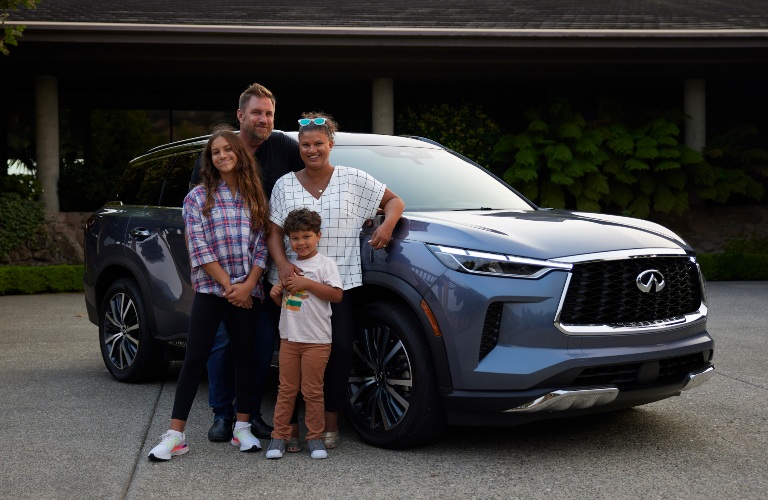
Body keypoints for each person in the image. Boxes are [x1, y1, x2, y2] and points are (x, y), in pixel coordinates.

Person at [267, 113, 405, 450]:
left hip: (338, 284)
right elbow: (273, 234)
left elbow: (394, 201)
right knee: (292, 357)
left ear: (331, 144)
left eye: (318, 144)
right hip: (293, 285)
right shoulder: (285, 184)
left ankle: (329, 422)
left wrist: (386, 225)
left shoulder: (354, 179)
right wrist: (283, 265)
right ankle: (293, 428)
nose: (312, 150)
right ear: (298, 147)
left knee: (339, 352)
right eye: (305, 145)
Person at [190, 83, 304, 443]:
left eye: (269, 113)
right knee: (221, 343)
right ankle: (222, 414)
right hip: (222, 274)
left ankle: (249, 415)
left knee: (258, 343)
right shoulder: (220, 152)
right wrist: (229, 284)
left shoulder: (284, 146)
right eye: (257, 112)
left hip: (265, 269)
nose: (264, 120)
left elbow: (316, 178)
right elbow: (199, 216)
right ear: (241, 115)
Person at [148, 128, 270, 461]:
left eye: (228, 150)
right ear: (210, 159)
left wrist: (247, 286)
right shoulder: (198, 197)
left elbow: (261, 248)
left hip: (248, 291)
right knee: (194, 359)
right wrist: (231, 286)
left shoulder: (255, 196)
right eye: (215, 152)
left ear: (239, 154)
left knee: (245, 358)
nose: (222, 156)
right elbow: (199, 247)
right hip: (213, 291)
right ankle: (175, 435)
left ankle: (241, 428)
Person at [265, 208, 343, 460]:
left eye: (307, 236)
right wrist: (277, 296)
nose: (301, 243)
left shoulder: (325, 264)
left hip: (317, 341)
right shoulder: (289, 267)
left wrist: (306, 283)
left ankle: (315, 438)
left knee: (312, 391)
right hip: (289, 339)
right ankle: (279, 437)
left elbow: (336, 295)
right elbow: (292, 304)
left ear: (318, 236)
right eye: (295, 238)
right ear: (288, 240)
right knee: (286, 389)